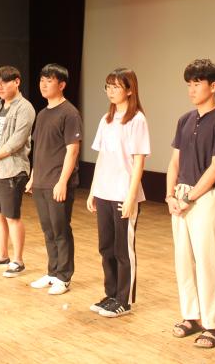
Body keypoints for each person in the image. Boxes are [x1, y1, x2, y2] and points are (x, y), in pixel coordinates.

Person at [165, 59, 215, 349]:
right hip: (181, 195)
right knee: (183, 260)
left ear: (213, 86)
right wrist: (170, 195)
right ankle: (191, 316)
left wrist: (190, 197)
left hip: (205, 196)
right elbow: (174, 161)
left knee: (208, 261)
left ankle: (214, 325)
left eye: (197, 83)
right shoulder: (185, 120)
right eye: (189, 84)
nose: (192, 89)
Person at [87, 67, 149, 318]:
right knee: (106, 247)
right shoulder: (106, 119)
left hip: (124, 193)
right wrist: (93, 191)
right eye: (108, 86)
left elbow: (139, 161)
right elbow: (101, 158)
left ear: (130, 90)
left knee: (124, 250)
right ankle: (111, 294)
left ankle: (124, 300)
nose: (110, 91)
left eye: (116, 86)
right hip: (104, 191)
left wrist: (131, 197)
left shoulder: (137, 120)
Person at [27, 64, 82, 296]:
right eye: (42, 80)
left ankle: (64, 277)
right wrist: (33, 177)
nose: (43, 84)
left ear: (61, 85)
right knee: (48, 230)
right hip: (41, 181)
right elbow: (39, 148)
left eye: (49, 80)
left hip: (58, 182)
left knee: (60, 230)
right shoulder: (42, 114)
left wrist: (62, 182)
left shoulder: (69, 113)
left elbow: (73, 150)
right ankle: (52, 272)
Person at [0, 65, 36, 278]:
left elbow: (16, 141)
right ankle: (2, 255)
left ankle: (18, 260)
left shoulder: (25, 108)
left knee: (12, 215)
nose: (0, 87)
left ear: (17, 82)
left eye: (4, 83)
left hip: (12, 169)